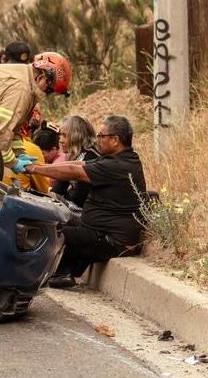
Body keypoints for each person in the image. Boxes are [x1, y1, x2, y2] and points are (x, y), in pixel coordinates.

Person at [22, 115, 147, 287]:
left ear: (115, 140)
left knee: (56, 231)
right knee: (62, 222)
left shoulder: (117, 166)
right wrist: (38, 167)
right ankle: (65, 271)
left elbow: (76, 172)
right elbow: (79, 165)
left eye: (101, 136)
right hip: (99, 230)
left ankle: (60, 273)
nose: (98, 139)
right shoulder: (120, 158)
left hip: (113, 240)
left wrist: (33, 169)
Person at [50, 115, 98, 208]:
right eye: (60, 135)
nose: (61, 140)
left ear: (77, 136)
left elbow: (78, 199)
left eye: (65, 136)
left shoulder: (90, 157)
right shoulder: (75, 155)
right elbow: (59, 188)